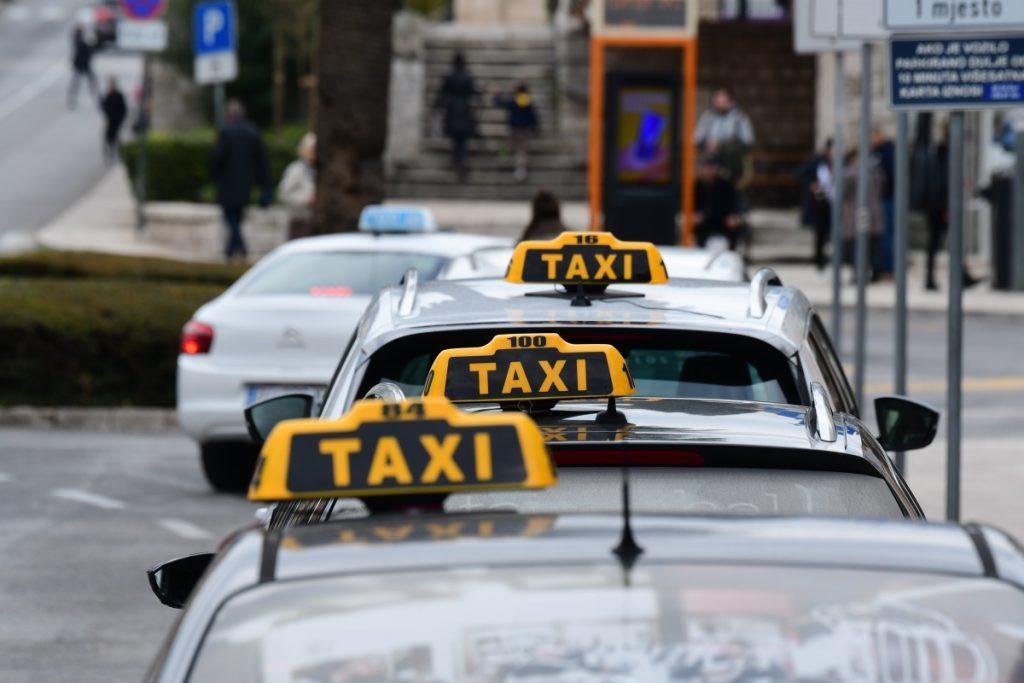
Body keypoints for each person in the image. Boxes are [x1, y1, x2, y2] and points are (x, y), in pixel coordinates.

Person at [212, 100, 270, 262]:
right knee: (237, 216)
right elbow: (261, 160)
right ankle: (231, 250)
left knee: (230, 217)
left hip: (227, 182)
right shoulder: (252, 131)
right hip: (246, 182)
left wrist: (215, 177)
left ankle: (240, 246)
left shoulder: (225, 131)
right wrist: (263, 183)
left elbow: (217, 158)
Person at [924, 123, 980, 292]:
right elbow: (944, 183)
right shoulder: (947, 155)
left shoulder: (938, 153)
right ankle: (954, 277)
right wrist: (946, 207)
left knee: (939, 242)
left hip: (936, 204)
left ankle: (945, 277)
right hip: (942, 206)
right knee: (950, 241)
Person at [694, 88, 755, 186]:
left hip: (732, 163)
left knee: (729, 185)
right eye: (717, 102)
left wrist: (722, 145)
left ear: (731, 102)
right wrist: (707, 144)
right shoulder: (707, 117)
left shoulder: (740, 118)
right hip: (711, 160)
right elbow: (697, 138)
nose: (718, 104)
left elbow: (748, 142)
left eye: (722, 102)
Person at [840, 149, 884, 279]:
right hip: (872, 213)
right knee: (869, 246)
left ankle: (858, 273)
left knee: (856, 246)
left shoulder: (850, 174)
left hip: (855, 214)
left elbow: (843, 193)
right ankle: (869, 272)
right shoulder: (876, 172)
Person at [435, 52, 478, 180]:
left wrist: (436, 107)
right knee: (462, 138)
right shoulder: (467, 76)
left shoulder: (450, 77)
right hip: (464, 109)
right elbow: (473, 92)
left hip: (453, 110)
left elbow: (442, 94)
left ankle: (458, 159)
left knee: (456, 137)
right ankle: (461, 158)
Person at [796, 139, 834, 271]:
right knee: (820, 232)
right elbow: (801, 174)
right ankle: (819, 259)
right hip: (819, 203)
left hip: (833, 202)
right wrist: (811, 185)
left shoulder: (839, 162)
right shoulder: (817, 161)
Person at [693, 156, 743, 250]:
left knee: (735, 226)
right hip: (703, 221)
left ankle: (731, 252)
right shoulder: (697, 185)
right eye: (707, 167)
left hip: (722, 219)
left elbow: (733, 203)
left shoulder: (726, 185)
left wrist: (733, 215)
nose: (709, 170)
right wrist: (694, 215)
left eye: (712, 167)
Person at [493, 83, 539, 182]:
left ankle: (502, 158)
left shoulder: (513, 101)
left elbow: (499, 103)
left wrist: (496, 95)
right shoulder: (529, 102)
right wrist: (535, 129)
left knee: (506, 145)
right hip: (524, 130)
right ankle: (520, 171)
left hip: (513, 128)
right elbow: (533, 117)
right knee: (521, 151)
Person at [278, 132, 317, 240]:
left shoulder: (321, 169)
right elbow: (283, 193)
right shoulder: (296, 169)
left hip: (316, 220)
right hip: (299, 219)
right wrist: (306, 199)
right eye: (312, 149)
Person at [871, 126, 896, 281]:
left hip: (886, 199)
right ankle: (882, 268)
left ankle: (888, 269)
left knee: (887, 236)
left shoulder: (888, 153)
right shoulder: (875, 153)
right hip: (878, 200)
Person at [68, 25, 98, 109]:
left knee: (80, 83)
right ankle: (72, 100)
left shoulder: (78, 40)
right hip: (81, 64)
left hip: (82, 64)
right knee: (80, 83)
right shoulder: (79, 41)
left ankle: (72, 100)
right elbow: (88, 50)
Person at [99, 77, 127, 163]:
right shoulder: (108, 95)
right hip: (110, 119)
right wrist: (101, 103)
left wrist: (121, 118)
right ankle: (110, 151)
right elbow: (104, 107)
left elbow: (123, 109)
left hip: (117, 120)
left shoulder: (119, 95)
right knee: (108, 136)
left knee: (116, 136)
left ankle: (117, 152)